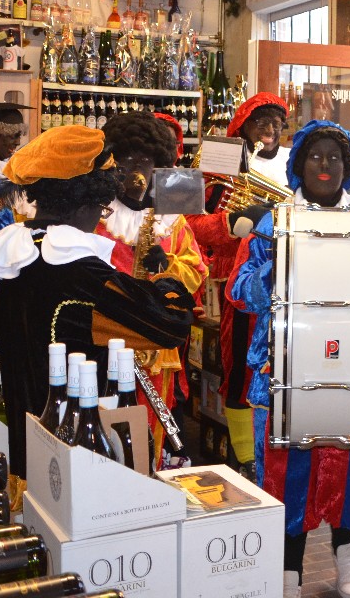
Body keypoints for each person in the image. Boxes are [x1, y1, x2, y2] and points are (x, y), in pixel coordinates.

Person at [228, 120, 350, 598]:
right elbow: (238, 292)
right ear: (299, 165)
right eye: (314, 156)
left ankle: (345, 551)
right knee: (288, 473)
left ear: (348, 168)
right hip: (283, 370)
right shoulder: (274, 223)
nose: (324, 165)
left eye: (334, 157)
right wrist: (277, 270)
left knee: (348, 466)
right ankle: (290, 570)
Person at [0, 126, 194, 485]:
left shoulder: (19, 256)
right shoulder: (81, 274)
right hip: (75, 457)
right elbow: (170, 324)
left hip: (28, 452)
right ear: (84, 204)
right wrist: (165, 282)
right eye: (102, 206)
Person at [94, 110, 208, 468]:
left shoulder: (172, 220)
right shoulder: (95, 216)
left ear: (158, 166)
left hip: (157, 351)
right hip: (105, 345)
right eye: (126, 160)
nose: (135, 171)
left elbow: (196, 270)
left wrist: (168, 268)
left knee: (151, 430)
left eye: (144, 161)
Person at [187, 92, 290, 477]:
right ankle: (246, 457)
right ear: (242, 127)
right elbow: (192, 224)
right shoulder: (223, 164)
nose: (269, 129)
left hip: (292, 277)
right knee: (241, 368)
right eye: (260, 122)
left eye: (276, 122)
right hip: (241, 278)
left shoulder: (298, 163)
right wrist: (230, 225)